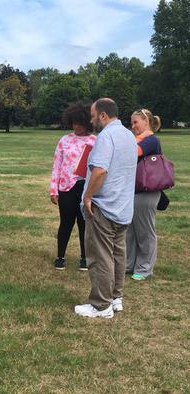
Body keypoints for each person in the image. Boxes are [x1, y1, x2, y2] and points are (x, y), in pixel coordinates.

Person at [75, 98, 137, 318]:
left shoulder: (106, 136)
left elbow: (100, 171)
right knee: (118, 255)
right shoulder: (129, 135)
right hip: (123, 208)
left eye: (93, 116)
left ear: (103, 115)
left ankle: (101, 305)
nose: (92, 120)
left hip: (104, 207)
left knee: (100, 256)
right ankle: (115, 297)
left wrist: (88, 197)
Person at [50, 102, 96, 271]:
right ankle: (60, 256)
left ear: (87, 122)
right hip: (66, 188)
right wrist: (53, 190)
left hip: (85, 187)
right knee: (65, 223)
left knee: (85, 224)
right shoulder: (64, 140)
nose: (76, 126)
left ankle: (85, 258)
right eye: (74, 122)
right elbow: (56, 166)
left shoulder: (95, 141)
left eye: (80, 123)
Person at [126, 109, 162, 281]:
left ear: (146, 121)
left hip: (146, 191)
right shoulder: (138, 139)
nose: (133, 126)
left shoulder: (150, 140)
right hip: (135, 190)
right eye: (132, 123)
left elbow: (135, 152)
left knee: (145, 231)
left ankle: (144, 268)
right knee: (130, 231)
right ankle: (129, 264)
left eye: (135, 122)